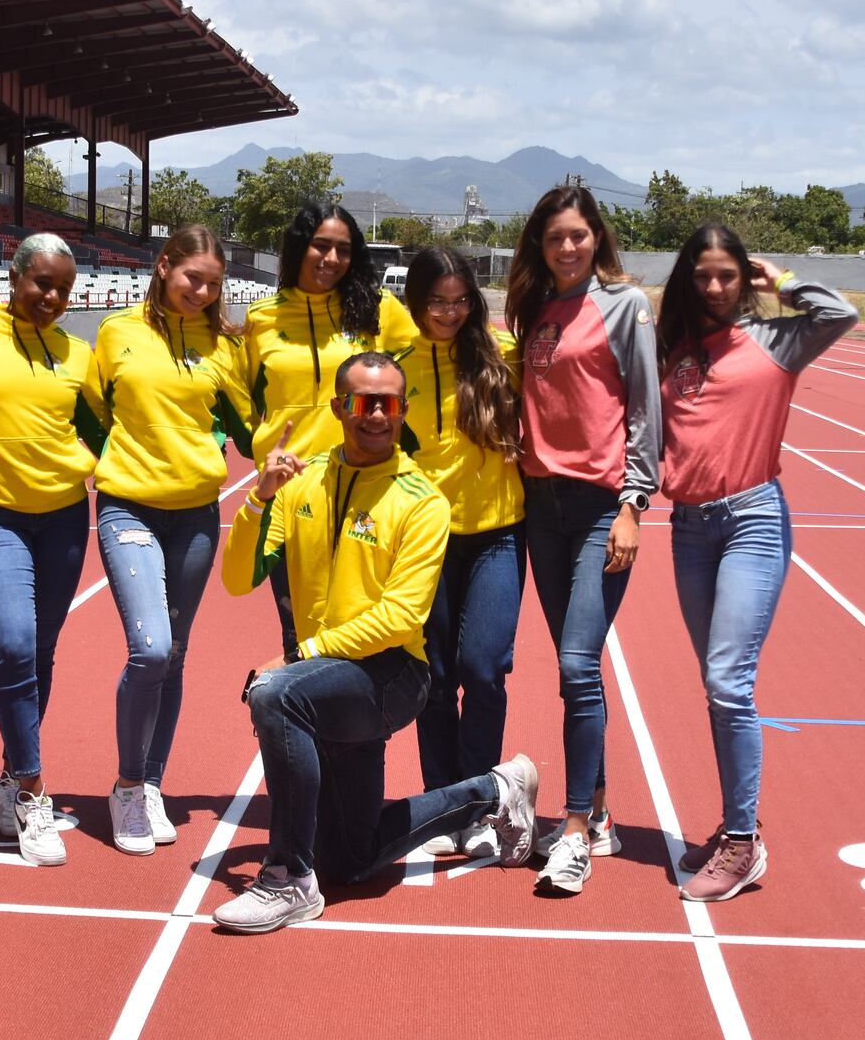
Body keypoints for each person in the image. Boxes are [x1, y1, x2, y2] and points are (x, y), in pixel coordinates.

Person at [211, 352, 539, 934]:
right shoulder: (300, 481)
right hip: (325, 681)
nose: (376, 415)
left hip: (391, 676)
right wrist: (258, 499)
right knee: (351, 859)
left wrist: (297, 659)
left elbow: (397, 618)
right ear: (339, 407)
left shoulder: (421, 499)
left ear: (404, 409)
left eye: (389, 403)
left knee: (274, 696)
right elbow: (238, 580)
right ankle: (494, 790)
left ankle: (286, 877)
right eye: (363, 403)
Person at [654, 224, 858, 901]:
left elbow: (841, 312)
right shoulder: (674, 351)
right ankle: (736, 827)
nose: (715, 287)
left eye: (729, 275)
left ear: (744, 280)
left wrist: (781, 277)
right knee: (717, 687)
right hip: (688, 529)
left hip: (752, 522)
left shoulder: (778, 342)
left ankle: (742, 843)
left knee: (727, 680)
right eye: (704, 275)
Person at [0, 231, 104, 867]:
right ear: (14, 277)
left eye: (63, 288)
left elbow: (112, 425)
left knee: (43, 651)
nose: (52, 297)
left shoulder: (77, 354)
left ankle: (10, 774)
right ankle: (34, 791)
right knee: (14, 644)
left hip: (62, 518)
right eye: (42, 283)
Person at [505, 183, 659, 895]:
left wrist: (632, 504)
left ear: (597, 238)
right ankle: (598, 811)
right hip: (541, 505)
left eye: (579, 235)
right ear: (540, 244)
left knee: (575, 664)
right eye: (555, 237)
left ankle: (571, 831)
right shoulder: (536, 312)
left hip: (601, 506)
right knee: (576, 667)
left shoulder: (624, 305)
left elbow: (645, 411)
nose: (568, 247)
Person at [80, 223, 251, 854]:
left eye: (212, 284)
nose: (202, 292)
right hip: (128, 509)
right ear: (162, 267)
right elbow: (94, 412)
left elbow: (249, 423)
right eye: (191, 278)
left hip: (198, 515)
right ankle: (127, 784)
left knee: (175, 651)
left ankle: (151, 783)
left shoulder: (223, 346)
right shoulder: (118, 333)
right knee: (150, 647)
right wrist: (123, 466)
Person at [240, 202, 423, 659]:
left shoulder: (378, 311)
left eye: (343, 249)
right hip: (294, 496)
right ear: (299, 247)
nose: (331, 259)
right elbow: (241, 398)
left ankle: (356, 729)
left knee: (363, 633)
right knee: (297, 633)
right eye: (321, 246)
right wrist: (263, 451)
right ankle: (292, 725)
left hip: (370, 493)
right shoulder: (263, 318)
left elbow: (433, 354)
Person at [395, 247, 526, 798]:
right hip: (428, 543)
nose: (449, 313)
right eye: (437, 303)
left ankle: (476, 795)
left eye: (460, 302)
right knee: (437, 677)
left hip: (497, 535)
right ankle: (441, 798)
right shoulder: (397, 370)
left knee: (482, 668)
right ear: (417, 304)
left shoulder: (505, 357)